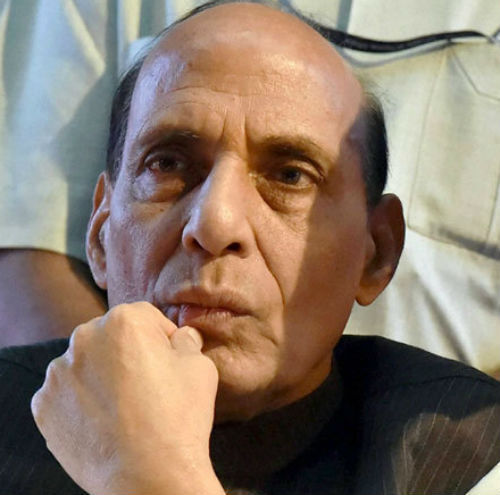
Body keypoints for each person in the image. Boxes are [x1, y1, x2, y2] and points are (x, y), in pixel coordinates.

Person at [1, 2, 500, 494]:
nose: (215, 223)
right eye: (168, 164)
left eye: (290, 176)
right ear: (100, 235)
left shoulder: (469, 454)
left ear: (376, 254)